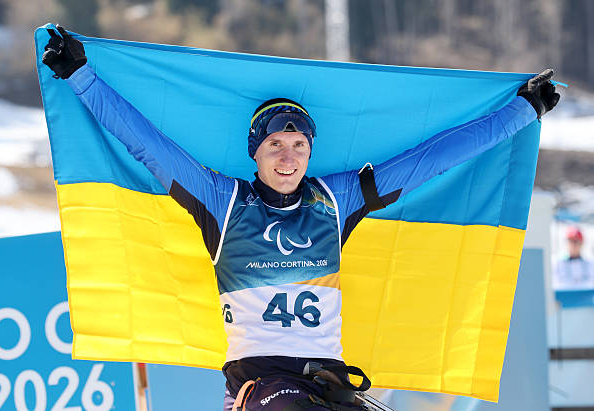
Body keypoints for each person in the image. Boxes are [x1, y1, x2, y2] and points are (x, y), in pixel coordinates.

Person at [42, 26, 560, 411]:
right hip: (261, 385)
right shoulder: (222, 200)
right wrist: (80, 76)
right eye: (275, 144)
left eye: (298, 145)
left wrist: (522, 112)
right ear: (255, 152)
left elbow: (431, 160)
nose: (288, 157)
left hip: (326, 381)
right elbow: (146, 144)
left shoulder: (337, 200)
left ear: (310, 152)